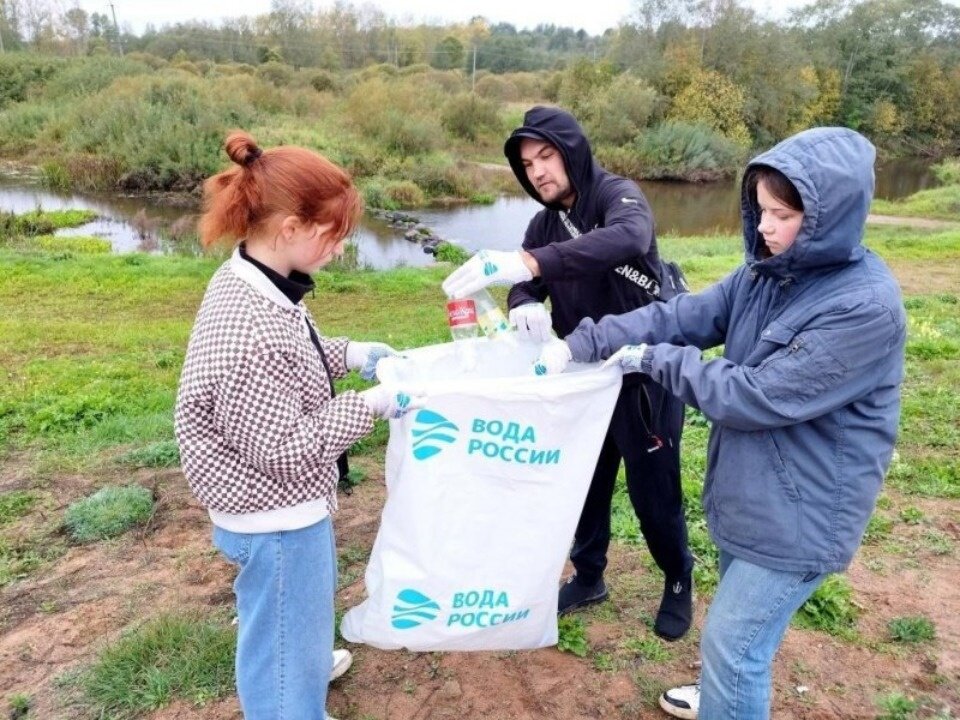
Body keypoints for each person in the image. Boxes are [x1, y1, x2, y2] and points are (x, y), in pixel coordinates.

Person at [533, 127, 906, 719]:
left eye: (783, 215)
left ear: (830, 218)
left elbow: (753, 395)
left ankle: (728, 695)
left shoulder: (863, 308)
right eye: (761, 210)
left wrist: (654, 360)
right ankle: (726, 699)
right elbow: (685, 314)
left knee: (734, 648)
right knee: (741, 644)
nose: (764, 227)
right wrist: (585, 342)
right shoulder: (767, 272)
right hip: (754, 498)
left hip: (802, 516)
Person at [175, 130, 420, 720]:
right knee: (282, 639)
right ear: (289, 228)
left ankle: (302, 658)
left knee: (293, 619)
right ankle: (289, 696)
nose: (338, 249)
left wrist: (353, 352)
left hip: (278, 510)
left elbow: (297, 355)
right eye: (331, 236)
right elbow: (284, 448)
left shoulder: (261, 283)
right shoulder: (248, 327)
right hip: (272, 517)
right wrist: (374, 404)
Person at [442, 106, 695, 640]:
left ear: (571, 149)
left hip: (639, 373)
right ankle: (589, 575)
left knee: (654, 493)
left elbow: (627, 238)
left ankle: (677, 577)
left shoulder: (616, 195)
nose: (537, 172)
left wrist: (533, 266)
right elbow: (524, 277)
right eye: (527, 164)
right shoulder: (543, 221)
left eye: (546, 155)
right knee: (584, 483)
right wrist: (521, 299)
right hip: (577, 374)